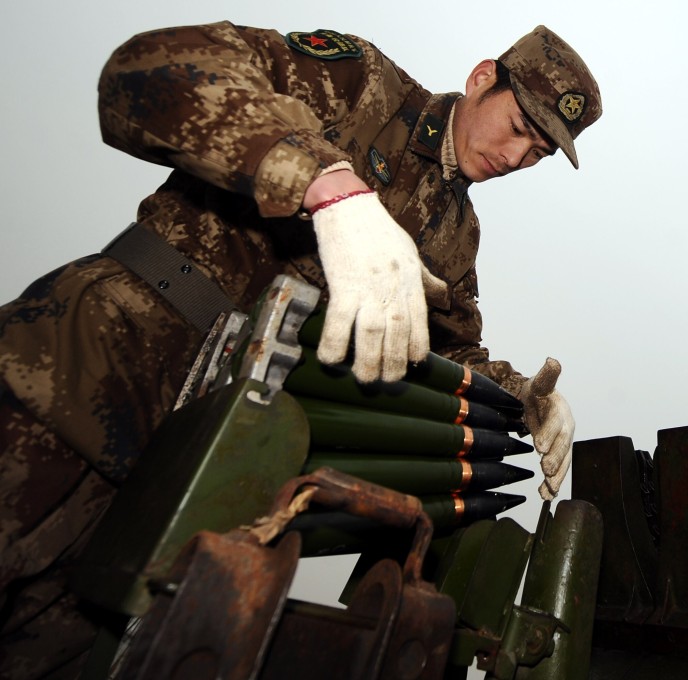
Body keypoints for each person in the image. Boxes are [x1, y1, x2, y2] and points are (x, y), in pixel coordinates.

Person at [0, 20, 601, 678]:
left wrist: (524, 402)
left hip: (193, 470)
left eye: (539, 152)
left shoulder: (457, 234)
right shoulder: (361, 86)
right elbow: (149, 71)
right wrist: (329, 188)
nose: (517, 155)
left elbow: (446, 354)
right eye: (518, 126)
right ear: (483, 77)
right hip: (80, 376)